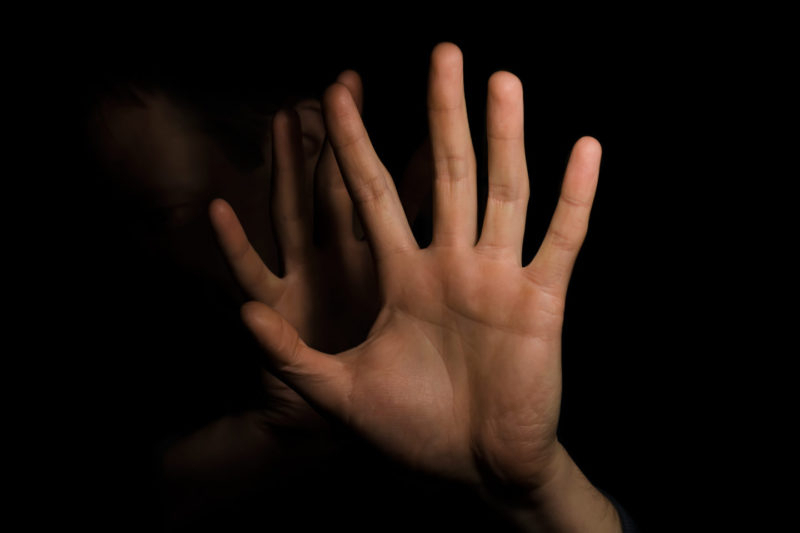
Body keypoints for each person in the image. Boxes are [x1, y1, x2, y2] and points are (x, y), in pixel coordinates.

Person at [85, 41, 639, 532]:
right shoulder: (161, 350)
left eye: (164, 214)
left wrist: (543, 491)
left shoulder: (513, 323)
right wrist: (278, 437)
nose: (148, 250)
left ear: (303, 141)